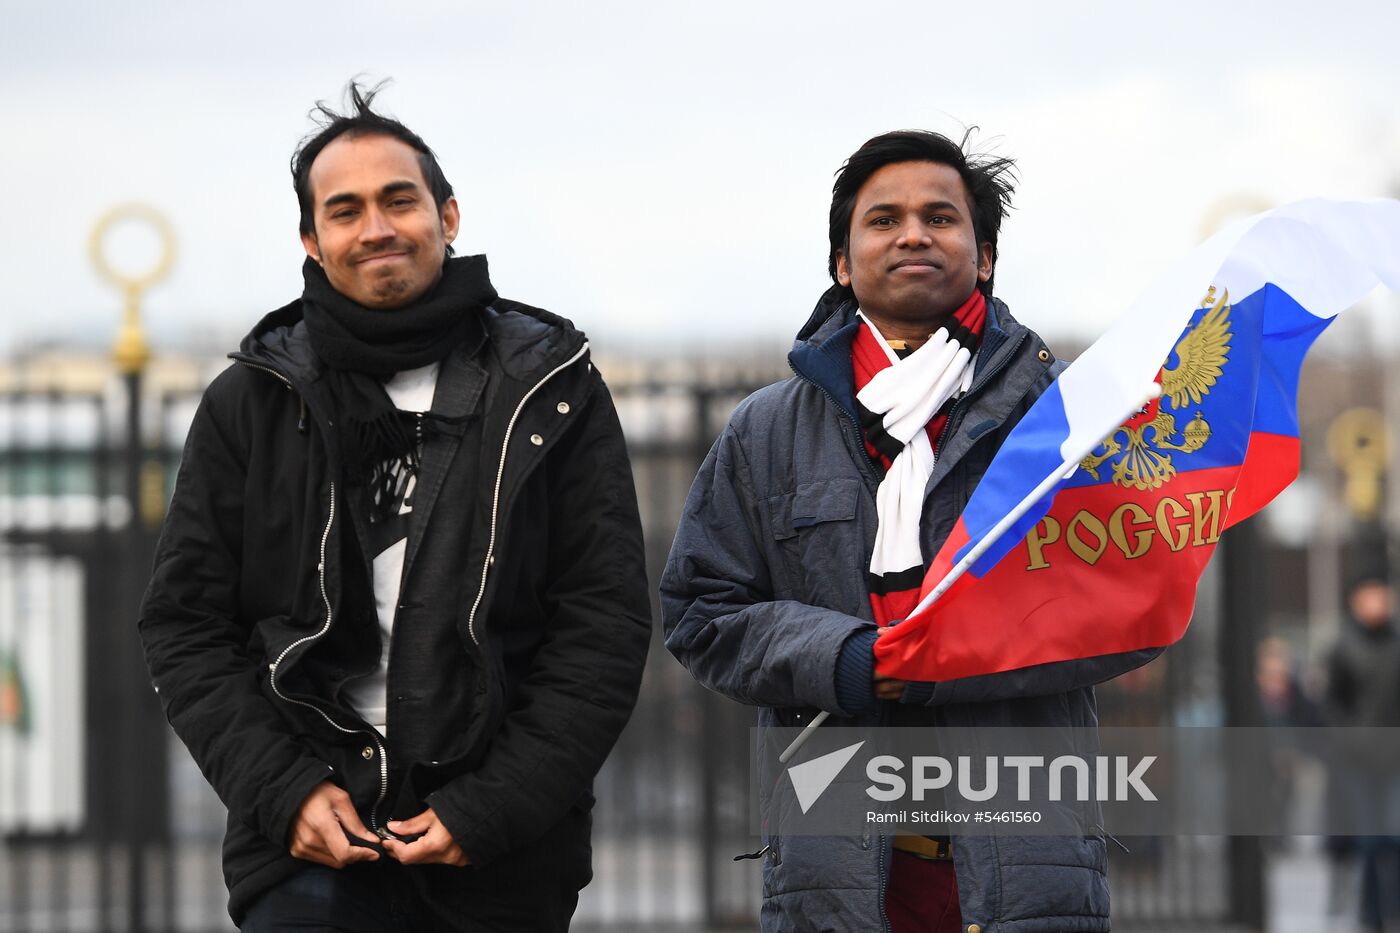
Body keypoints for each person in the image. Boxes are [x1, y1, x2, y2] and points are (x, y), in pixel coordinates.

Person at [138, 81, 651, 932]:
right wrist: (284, 791)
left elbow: (602, 624)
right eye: (345, 210)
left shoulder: (552, 390)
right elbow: (184, 625)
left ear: (448, 216)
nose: (375, 227)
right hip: (303, 840)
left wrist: (493, 807)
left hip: (501, 850)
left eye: (398, 199)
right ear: (313, 239)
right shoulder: (251, 399)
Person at [661, 130, 1161, 932]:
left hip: (1025, 865)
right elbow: (700, 612)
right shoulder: (765, 431)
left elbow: (1134, 603)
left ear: (984, 255)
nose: (914, 234)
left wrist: (951, 654)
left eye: (941, 216)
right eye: (883, 219)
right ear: (841, 261)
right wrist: (852, 660)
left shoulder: (1068, 417)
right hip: (835, 871)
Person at [1325, 575, 1400, 931]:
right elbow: (1333, 704)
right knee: (1370, 840)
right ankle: (1371, 915)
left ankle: (1391, 907)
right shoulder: (1344, 646)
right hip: (1359, 759)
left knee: (1394, 836)